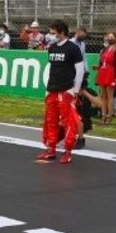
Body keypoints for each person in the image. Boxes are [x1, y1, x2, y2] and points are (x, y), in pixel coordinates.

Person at [37, 20, 84, 163]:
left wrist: (75, 90)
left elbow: (80, 70)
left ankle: (68, 150)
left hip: (66, 90)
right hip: (52, 89)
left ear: (62, 32)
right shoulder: (51, 48)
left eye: (53, 32)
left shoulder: (73, 48)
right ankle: (50, 148)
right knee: (50, 120)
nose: (51, 35)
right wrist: (47, 89)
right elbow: (52, 69)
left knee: (68, 121)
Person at [96, 32, 116, 125]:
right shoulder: (104, 49)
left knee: (110, 96)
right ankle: (103, 115)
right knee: (103, 96)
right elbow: (101, 62)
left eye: (112, 37)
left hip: (111, 72)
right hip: (103, 72)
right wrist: (98, 68)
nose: (109, 39)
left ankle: (109, 115)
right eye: (109, 37)